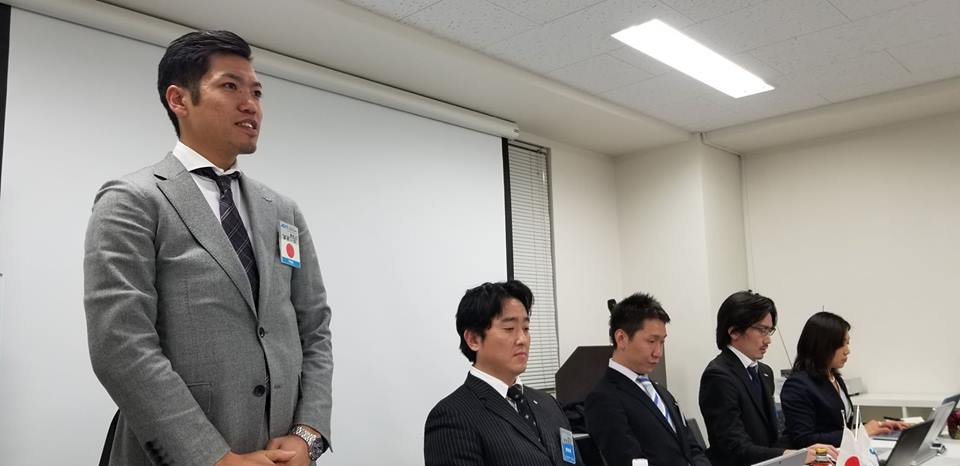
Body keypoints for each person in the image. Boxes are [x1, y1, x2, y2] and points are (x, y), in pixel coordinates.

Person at [84, 30, 333, 466]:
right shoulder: (132, 200)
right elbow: (121, 346)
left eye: (257, 92)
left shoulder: (283, 211)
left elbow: (313, 328)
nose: (250, 104)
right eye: (230, 86)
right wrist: (213, 458)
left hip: (279, 454)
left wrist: (307, 435)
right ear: (179, 99)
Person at [424, 280, 582, 466]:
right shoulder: (452, 416)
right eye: (509, 329)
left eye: (526, 328)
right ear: (473, 339)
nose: (522, 339)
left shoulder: (549, 404)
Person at [699, 291, 836, 466]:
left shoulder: (764, 372)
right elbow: (734, 448)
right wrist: (792, 455)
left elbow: (773, 439)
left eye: (769, 331)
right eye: (761, 330)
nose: (768, 340)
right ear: (734, 331)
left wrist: (804, 451)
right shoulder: (719, 376)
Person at [584, 292, 710, 466]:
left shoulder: (662, 392)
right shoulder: (604, 398)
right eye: (651, 341)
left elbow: (692, 448)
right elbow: (629, 461)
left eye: (662, 342)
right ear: (621, 338)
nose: (658, 352)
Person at [781, 312, 906, 448]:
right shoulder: (797, 385)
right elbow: (803, 439)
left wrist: (880, 426)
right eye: (842, 344)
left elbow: (840, 427)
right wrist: (859, 433)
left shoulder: (835, 378)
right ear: (823, 345)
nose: (847, 351)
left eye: (847, 343)